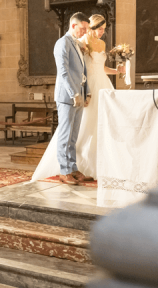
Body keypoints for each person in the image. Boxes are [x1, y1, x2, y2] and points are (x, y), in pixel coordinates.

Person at [74, 15, 126, 179]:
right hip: (90, 86)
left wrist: (117, 71)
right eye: (100, 29)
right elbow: (80, 69)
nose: (102, 32)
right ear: (92, 27)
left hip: (103, 84)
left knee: (105, 123)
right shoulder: (81, 42)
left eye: (104, 29)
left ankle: (102, 165)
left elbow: (101, 68)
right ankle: (81, 165)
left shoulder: (102, 44)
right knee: (87, 124)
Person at [53, 12, 92, 186]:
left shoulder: (77, 44)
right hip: (67, 96)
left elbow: (82, 72)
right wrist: (74, 93)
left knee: (73, 136)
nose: (85, 32)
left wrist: (86, 92)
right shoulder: (62, 43)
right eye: (83, 28)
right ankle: (64, 171)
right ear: (73, 25)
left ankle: (73, 168)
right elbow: (63, 71)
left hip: (79, 95)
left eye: (87, 29)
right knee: (65, 134)